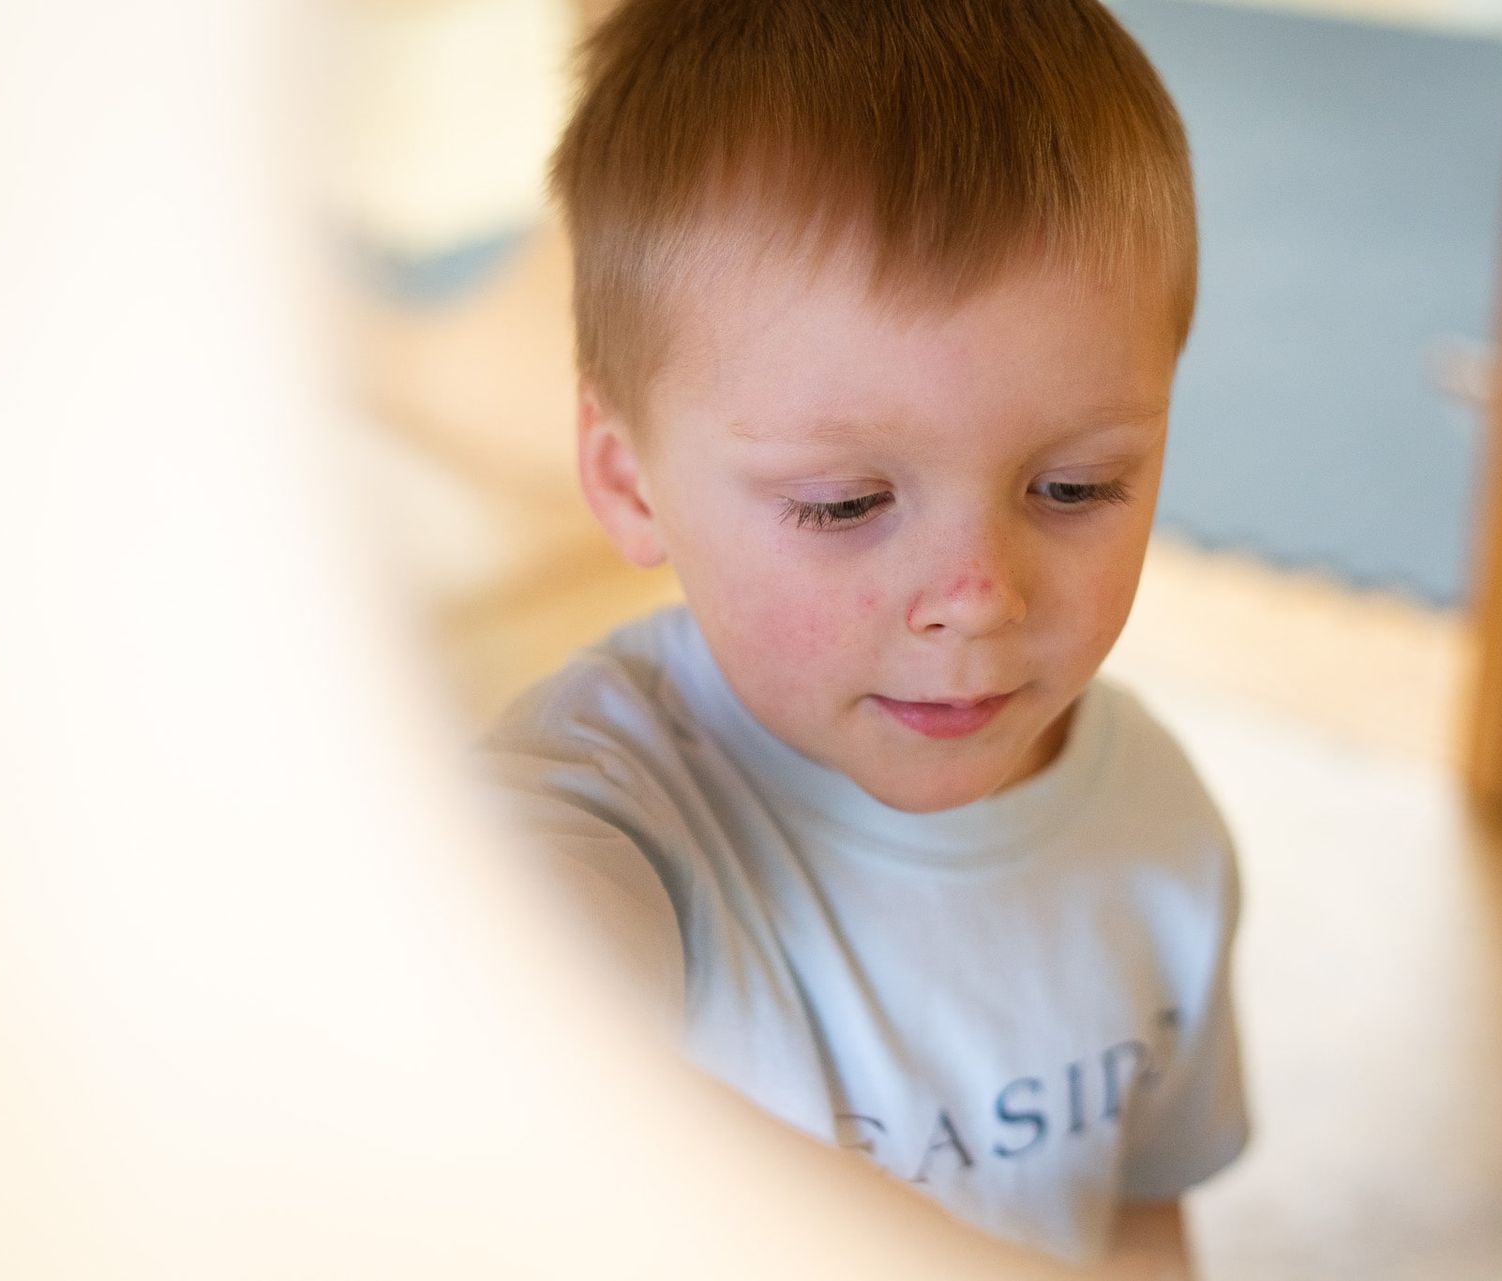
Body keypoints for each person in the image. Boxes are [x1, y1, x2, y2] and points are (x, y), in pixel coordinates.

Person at [476, 0, 1248, 1272]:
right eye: (844, 504)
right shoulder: (609, 808)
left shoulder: (1161, 825)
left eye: (1077, 487)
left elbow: (1138, 1218)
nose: (978, 595)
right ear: (627, 482)